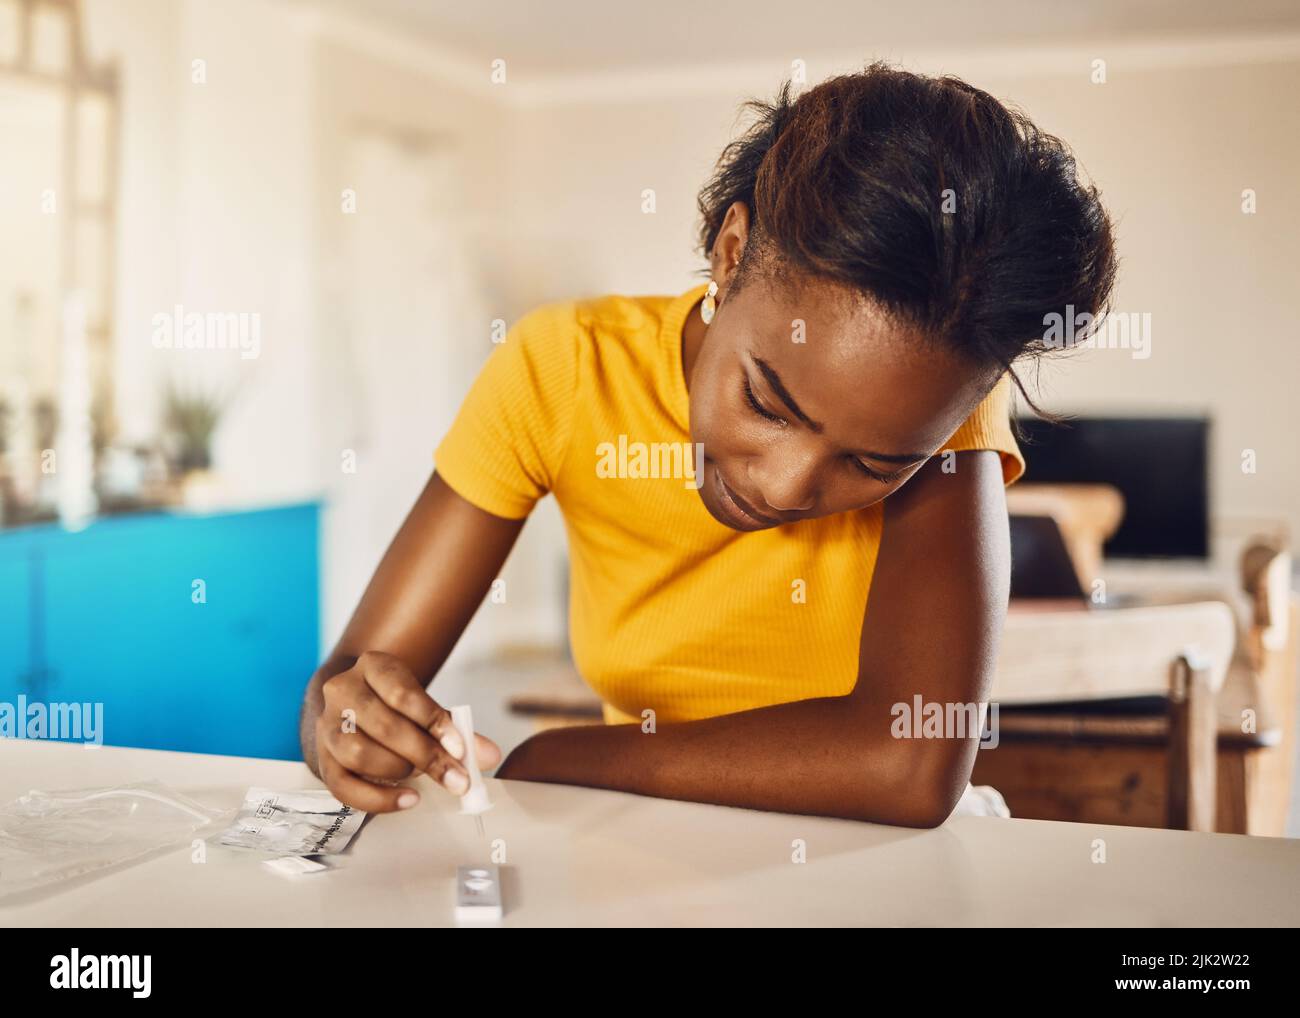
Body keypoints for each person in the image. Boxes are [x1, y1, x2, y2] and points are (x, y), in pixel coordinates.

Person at [300, 62, 1117, 827]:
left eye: (876, 464)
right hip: (634, 836)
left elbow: (907, 766)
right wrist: (353, 726)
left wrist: (556, 757)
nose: (790, 487)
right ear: (731, 253)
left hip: (867, 855)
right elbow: (344, 688)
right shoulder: (565, 367)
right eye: (766, 401)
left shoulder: (948, 410)